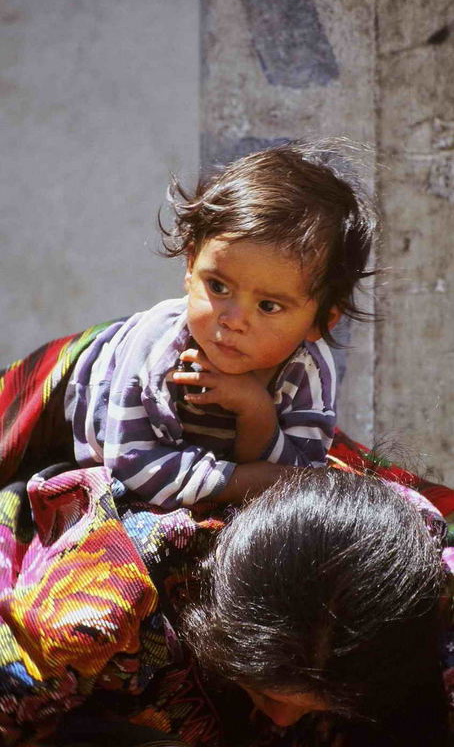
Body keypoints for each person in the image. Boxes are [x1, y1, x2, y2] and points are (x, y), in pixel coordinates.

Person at [12, 465, 447, 746]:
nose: (283, 720)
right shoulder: (97, 606)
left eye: (314, 705)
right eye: (266, 694)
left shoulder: (421, 564)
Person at [60, 140, 377, 508]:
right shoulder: (158, 346)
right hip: (72, 398)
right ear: (191, 266)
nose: (233, 320)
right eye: (218, 286)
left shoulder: (308, 370)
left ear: (319, 323)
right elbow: (129, 464)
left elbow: (299, 480)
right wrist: (239, 481)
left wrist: (256, 413)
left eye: (269, 306)